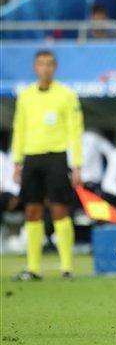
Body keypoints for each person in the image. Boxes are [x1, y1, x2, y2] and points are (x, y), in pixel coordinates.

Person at [11, 50, 83, 280]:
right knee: (32, 211)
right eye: (41, 64)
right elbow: (19, 129)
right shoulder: (25, 95)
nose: (45, 68)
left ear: (55, 67)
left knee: (59, 209)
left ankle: (67, 267)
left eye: (49, 64)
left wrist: (77, 165)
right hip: (31, 157)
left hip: (56, 157)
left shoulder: (66, 95)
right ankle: (33, 268)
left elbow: (75, 131)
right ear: (35, 67)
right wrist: (16, 162)